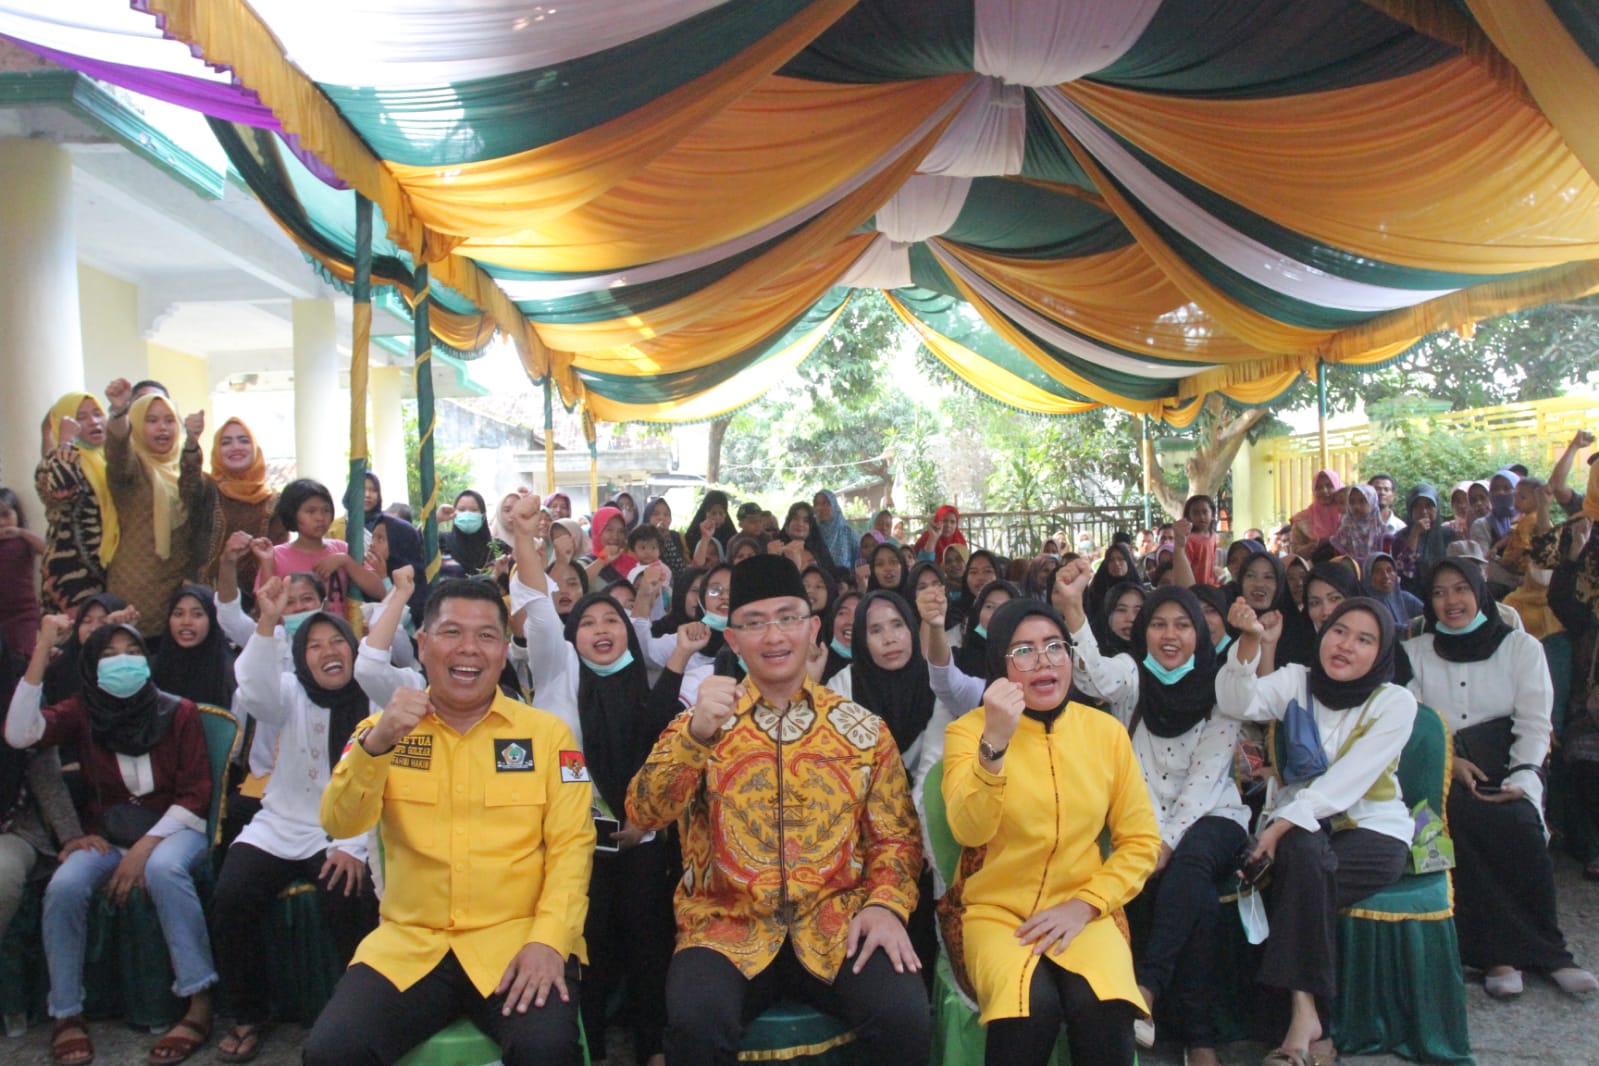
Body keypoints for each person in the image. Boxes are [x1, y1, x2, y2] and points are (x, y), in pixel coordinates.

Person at [626, 554, 929, 1065]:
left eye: (788, 617)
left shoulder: (861, 730)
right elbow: (645, 811)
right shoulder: (699, 723)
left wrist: (884, 905)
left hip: (839, 922)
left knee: (903, 1015)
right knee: (695, 1023)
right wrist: (696, 737)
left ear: (813, 630)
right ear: (733, 639)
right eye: (754, 623)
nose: (774, 636)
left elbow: (897, 837)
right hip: (724, 926)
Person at [303, 579, 594, 1066]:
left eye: (485, 636)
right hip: (409, 945)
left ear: (504, 650)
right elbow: (340, 819)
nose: (468, 649)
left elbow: (573, 847)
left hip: (517, 940)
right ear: (421, 644)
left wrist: (550, 942)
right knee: (332, 1051)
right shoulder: (380, 731)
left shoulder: (548, 736)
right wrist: (379, 745)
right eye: (451, 632)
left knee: (547, 1050)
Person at [938, 597, 1161, 1065]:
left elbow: (1140, 842)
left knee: (1102, 1006)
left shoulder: (1104, 732)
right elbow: (969, 829)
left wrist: (1085, 905)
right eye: (1023, 651)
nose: (1043, 662)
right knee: (1029, 1010)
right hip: (996, 911)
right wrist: (994, 743)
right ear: (1000, 666)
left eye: (1054, 646)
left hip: (1086, 906)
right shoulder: (967, 732)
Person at [506, 502, 688, 1063]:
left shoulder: (647, 682)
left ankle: (653, 1044)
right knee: (587, 950)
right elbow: (538, 606)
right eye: (587, 621)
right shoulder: (558, 670)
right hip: (576, 845)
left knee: (649, 944)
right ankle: (589, 1046)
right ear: (573, 634)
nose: (601, 629)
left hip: (641, 838)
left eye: (612, 620)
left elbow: (669, 765)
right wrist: (521, 536)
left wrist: (642, 824)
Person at [1053, 565, 1247, 1065]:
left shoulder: (1222, 690)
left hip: (1213, 818)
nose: (1170, 635)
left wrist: (1160, 845)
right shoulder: (1133, 677)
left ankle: (1148, 989)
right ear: (1145, 631)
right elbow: (1092, 672)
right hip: (1143, 826)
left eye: (1183, 625)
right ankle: (1200, 1041)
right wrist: (1073, 607)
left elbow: (1204, 784)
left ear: (1199, 634)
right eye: (1158, 623)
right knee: (1196, 895)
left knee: (1191, 862)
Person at [9, 613, 216, 1066]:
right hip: (109, 836)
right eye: (108, 655)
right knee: (64, 886)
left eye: (132, 652)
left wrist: (145, 848)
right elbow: (20, 733)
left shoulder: (177, 711)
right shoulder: (83, 710)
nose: (122, 662)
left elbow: (196, 795)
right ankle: (66, 1013)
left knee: (164, 870)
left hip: (175, 829)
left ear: (148, 658)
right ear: (90, 665)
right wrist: (42, 649)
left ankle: (198, 1001)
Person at [1217, 596, 1416, 1064]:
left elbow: (1344, 785)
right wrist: (1250, 642)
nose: (1346, 646)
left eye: (1365, 640)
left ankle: (1290, 1023)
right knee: (1306, 857)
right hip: (1303, 835)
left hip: (1372, 831)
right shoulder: (1295, 681)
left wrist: (1274, 829)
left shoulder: (1395, 702)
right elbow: (1234, 700)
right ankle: (1307, 1020)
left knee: (1299, 869)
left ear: (1382, 650)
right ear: (1323, 634)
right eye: (1340, 631)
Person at [1403, 558, 1598, 999]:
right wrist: (1449, 762)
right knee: (1463, 823)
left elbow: (1533, 724)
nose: (1451, 601)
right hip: (1444, 773)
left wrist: (1524, 779)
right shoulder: (1414, 653)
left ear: (1478, 592)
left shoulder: (1520, 648)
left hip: (1509, 764)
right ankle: (1496, 956)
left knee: (1520, 825)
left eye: (1460, 589)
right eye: (1439, 593)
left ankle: (1552, 953)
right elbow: (1410, 720)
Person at [212, 576, 381, 1061]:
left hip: (347, 829)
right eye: (314, 646)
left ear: (352, 650)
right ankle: (250, 1012)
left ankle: (364, 1014)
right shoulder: (287, 692)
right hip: (281, 823)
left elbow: (384, 785)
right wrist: (267, 621)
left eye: (336, 643)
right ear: (301, 657)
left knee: (348, 894)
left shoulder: (375, 697)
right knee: (230, 896)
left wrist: (352, 846)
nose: (327, 652)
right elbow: (255, 690)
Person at [102, 381, 219, 639]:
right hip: (136, 588)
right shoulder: (133, 469)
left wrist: (192, 441)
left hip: (179, 587)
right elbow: (118, 454)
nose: (162, 427)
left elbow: (192, 487)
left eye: (168, 420)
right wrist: (119, 413)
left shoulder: (184, 466)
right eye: (151, 420)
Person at [257, 479, 386, 621]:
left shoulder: (341, 549)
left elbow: (379, 590)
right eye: (310, 511)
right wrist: (267, 563)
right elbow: (264, 605)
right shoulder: (276, 555)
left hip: (339, 635)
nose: (320, 518)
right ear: (292, 514)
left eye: (326, 510)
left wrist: (346, 561)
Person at [36, 391, 117, 613]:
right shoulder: (54, 461)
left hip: (105, 567)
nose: (93, 421)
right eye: (80, 417)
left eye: (97, 413)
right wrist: (65, 443)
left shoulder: (106, 460)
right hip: (70, 569)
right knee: (76, 636)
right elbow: (62, 489)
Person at [202, 417, 285, 597]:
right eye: (226, 442)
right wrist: (192, 443)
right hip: (207, 598)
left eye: (244, 440)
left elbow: (279, 553)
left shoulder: (274, 501)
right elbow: (188, 482)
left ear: (255, 448)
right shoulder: (206, 490)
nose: (235, 447)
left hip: (258, 597)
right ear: (216, 450)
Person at [152, 584, 235, 710]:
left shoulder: (228, 673)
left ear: (212, 619)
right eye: (178, 614)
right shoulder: (159, 666)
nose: (186, 622)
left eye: (197, 615)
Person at [1388, 484, 1457, 598]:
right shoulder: (1399, 538)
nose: (1424, 511)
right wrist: (1414, 534)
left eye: (1429, 506)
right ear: (1410, 509)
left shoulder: (1448, 535)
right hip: (1412, 598)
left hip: (1445, 595)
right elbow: (1404, 573)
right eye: (1418, 506)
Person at [0, 488, 44, 656]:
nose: (3, 523)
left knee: (23, 657)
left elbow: (46, 549)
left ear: (17, 514)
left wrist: (21, 532)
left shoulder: (23, 540)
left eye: (6, 515)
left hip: (22, 613)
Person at [440, 489, 510, 580]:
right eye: (461, 510)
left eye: (474, 510)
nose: (467, 514)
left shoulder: (498, 548)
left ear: (483, 515)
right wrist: (436, 519)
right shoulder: (442, 542)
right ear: (454, 513)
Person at [1330, 484, 1387, 573]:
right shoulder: (1345, 529)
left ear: (1372, 501)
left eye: (1362, 501)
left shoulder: (1380, 529)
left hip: (1376, 574)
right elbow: (1339, 558)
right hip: (1350, 574)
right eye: (1352, 502)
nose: (1356, 506)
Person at [1289, 470, 1344, 559]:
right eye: (1318, 488)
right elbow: (1295, 551)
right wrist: (1315, 546)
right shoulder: (1302, 519)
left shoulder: (1350, 515)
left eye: (1329, 486)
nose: (1324, 491)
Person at [1365, 552, 1423, 628]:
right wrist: (1410, 628)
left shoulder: (1405, 597)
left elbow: (1429, 614)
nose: (1386, 576)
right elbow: (1386, 628)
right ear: (1369, 576)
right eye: (1378, 571)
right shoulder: (1365, 605)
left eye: (1389, 570)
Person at [1173, 497, 1219, 587]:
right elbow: (1185, 567)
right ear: (1189, 517)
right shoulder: (1189, 540)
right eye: (1196, 513)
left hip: (1210, 586)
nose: (1201, 517)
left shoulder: (1212, 535)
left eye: (1205, 512)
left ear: (1212, 514)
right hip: (1194, 587)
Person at [683, 491, 736, 565]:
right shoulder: (693, 535)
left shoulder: (732, 536)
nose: (717, 517)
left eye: (721, 513)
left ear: (725, 514)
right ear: (705, 513)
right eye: (713, 513)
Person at [813, 490, 858, 570]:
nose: (820, 508)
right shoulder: (812, 533)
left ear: (834, 506)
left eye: (826, 503)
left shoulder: (847, 533)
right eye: (817, 504)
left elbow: (859, 562)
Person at [644, 497, 691, 575]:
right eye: (656, 514)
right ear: (648, 517)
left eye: (666, 515)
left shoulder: (677, 537)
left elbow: (686, 564)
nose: (661, 518)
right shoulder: (641, 539)